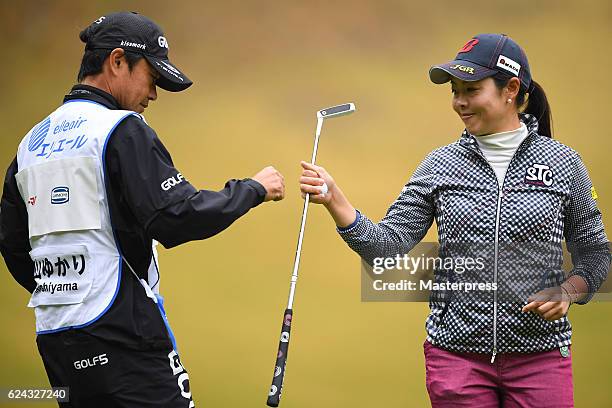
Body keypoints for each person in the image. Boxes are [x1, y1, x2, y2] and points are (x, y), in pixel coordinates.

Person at [299, 33, 610, 407]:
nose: (459, 102)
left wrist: (569, 291)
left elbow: (595, 253)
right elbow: (388, 245)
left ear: (511, 88)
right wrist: (336, 200)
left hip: (540, 358)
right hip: (456, 360)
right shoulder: (439, 165)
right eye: (455, 91)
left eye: (471, 90)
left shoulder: (564, 164)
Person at [0, 11, 285, 408]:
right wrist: (252, 189)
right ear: (117, 62)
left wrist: (65, 292)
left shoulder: (29, 145)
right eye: (152, 77)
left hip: (57, 338)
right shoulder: (120, 128)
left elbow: (14, 246)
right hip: (122, 334)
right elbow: (176, 216)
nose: (153, 94)